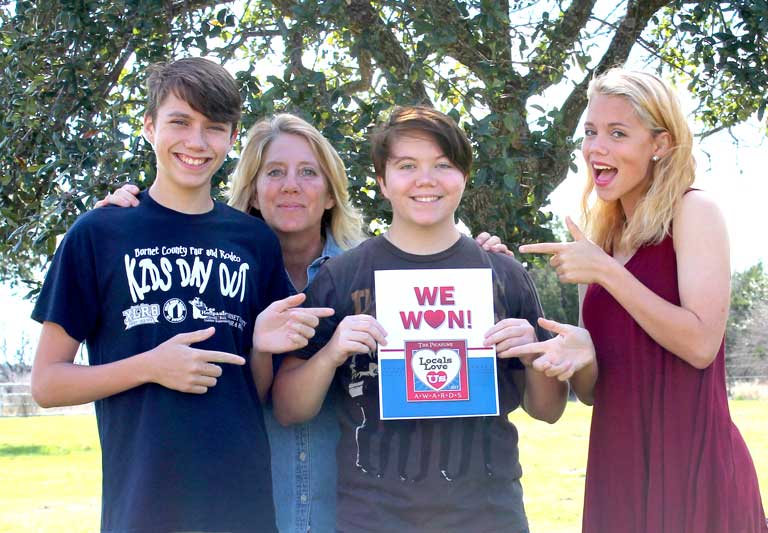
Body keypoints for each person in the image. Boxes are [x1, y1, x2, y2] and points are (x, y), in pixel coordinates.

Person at [100, 112, 512, 533]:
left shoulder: (369, 278)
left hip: (355, 511)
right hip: (245, 505)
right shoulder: (207, 278)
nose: (291, 185)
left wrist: (480, 261)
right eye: (274, 172)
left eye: (309, 173)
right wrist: (127, 223)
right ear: (254, 191)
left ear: (332, 193)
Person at [30, 58, 327, 533]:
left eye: (213, 127)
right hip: (144, 506)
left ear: (231, 138)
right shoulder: (98, 233)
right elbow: (47, 384)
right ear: (149, 126)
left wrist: (260, 348)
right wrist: (150, 366)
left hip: (242, 506)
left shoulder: (253, 241)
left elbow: (256, 391)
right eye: (180, 122)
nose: (196, 142)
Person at [271, 105, 568, 533]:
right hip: (372, 518)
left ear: (464, 177)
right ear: (382, 182)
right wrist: (331, 353)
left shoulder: (503, 274)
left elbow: (549, 410)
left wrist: (530, 355)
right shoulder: (342, 275)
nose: (425, 179)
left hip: (489, 515)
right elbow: (288, 408)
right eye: (407, 166)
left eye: (443, 165)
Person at [513, 69, 768, 532]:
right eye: (590, 132)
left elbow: (700, 344)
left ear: (660, 144)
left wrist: (607, 273)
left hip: (693, 465)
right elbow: (594, 393)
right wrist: (577, 353)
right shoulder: (602, 241)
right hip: (619, 467)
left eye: (617, 133)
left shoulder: (695, 211)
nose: (596, 147)